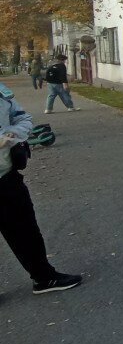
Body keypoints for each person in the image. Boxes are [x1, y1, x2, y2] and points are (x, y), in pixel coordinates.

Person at [0, 83, 83, 293]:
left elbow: (23, 118)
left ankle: (44, 278)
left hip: (6, 177)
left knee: (26, 230)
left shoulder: (1, 93)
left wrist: (11, 134)